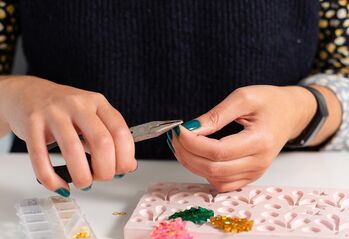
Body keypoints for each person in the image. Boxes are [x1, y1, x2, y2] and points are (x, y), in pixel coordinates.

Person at [0, 0, 348, 197]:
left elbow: (342, 79)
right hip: (55, 201)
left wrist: (302, 109)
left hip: (274, 200)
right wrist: (13, 94)